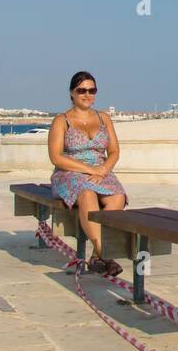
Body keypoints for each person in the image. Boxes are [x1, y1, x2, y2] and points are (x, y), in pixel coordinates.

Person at [48, 71, 127, 275]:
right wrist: (89, 170)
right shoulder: (61, 120)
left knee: (118, 196)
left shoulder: (104, 118)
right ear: (72, 93)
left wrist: (103, 170)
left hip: (100, 171)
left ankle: (96, 257)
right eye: (81, 90)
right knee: (86, 193)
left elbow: (114, 151)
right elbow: (56, 157)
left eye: (91, 90)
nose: (87, 94)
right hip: (69, 172)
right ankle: (105, 252)